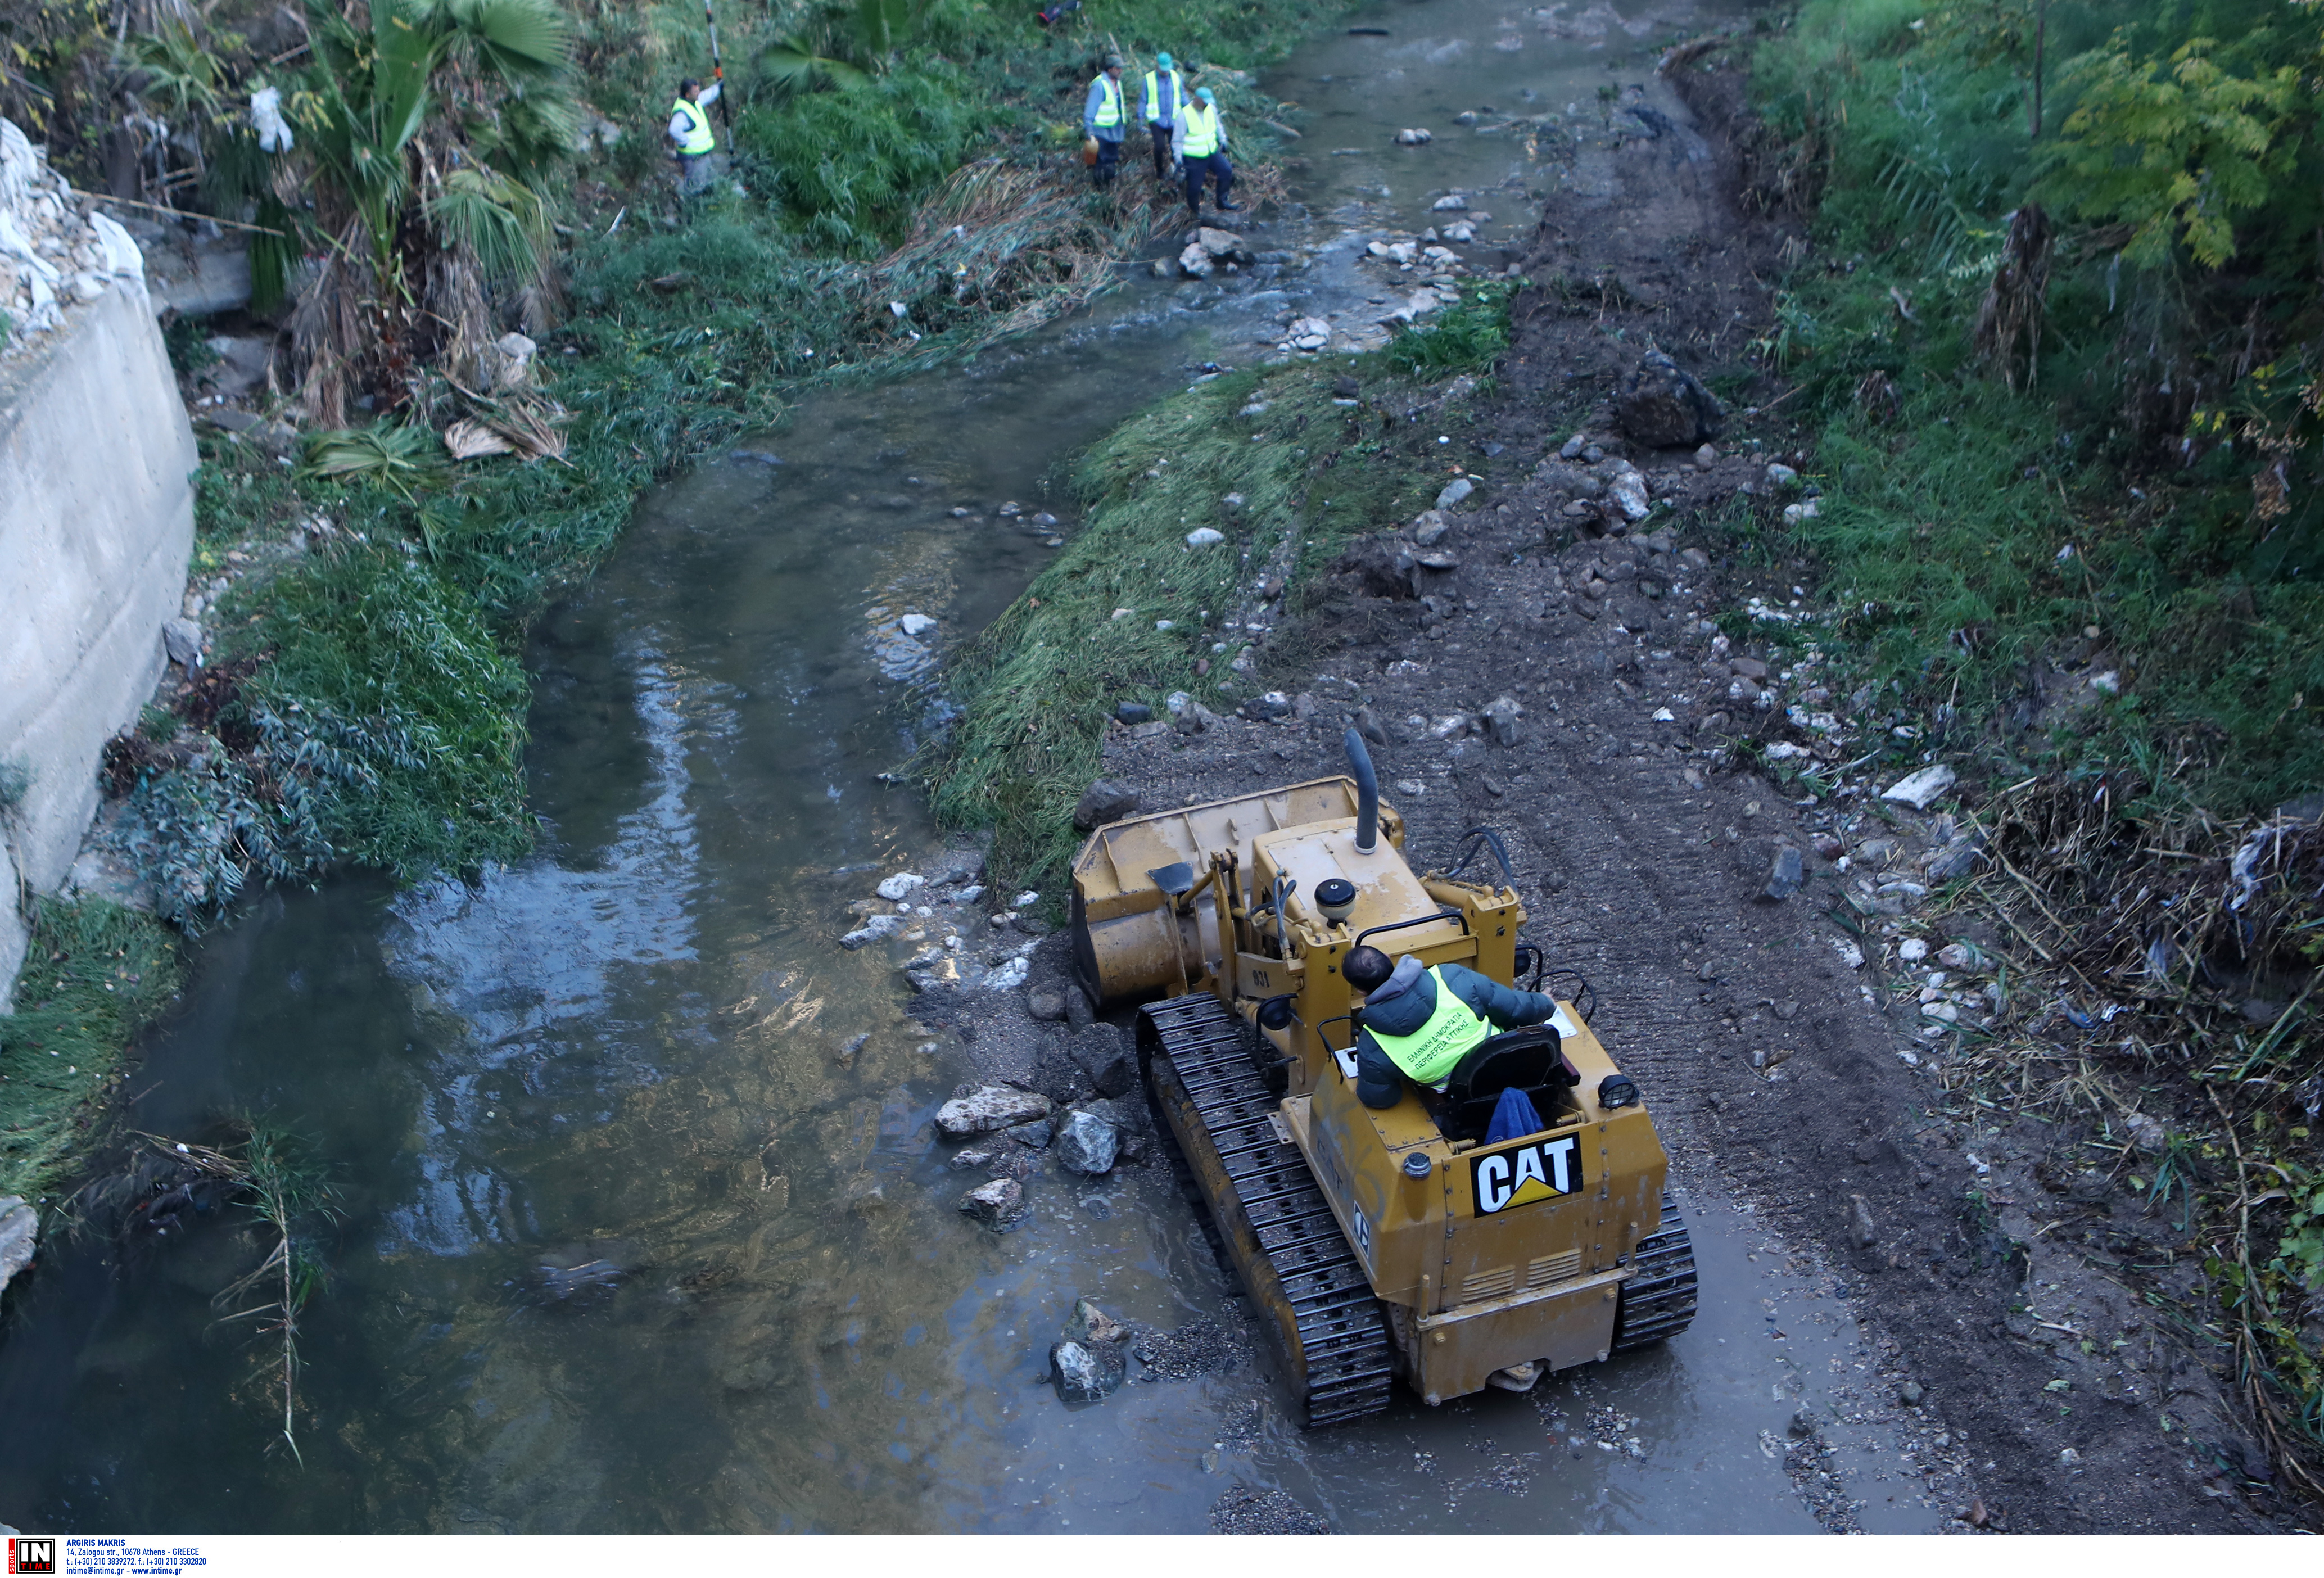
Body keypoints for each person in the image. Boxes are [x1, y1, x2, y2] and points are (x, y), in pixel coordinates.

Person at [1342, 946, 1556, 1110]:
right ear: (1390, 960)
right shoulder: (1451, 977)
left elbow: (1379, 1099)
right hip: (1517, 1067)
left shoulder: (1373, 1046)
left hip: (1465, 1103)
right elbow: (1515, 1009)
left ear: (1360, 991)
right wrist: (1546, 1003)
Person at [1172, 85, 1239, 219]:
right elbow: (1177, 141)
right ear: (1197, 100)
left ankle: (1222, 202)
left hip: (1212, 151)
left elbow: (1218, 125)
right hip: (1194, 157)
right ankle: (1194, 212)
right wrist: (1178, 159)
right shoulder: (1184, 115)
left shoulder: (1211, 109)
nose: (1206, 104)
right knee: (1195, 187)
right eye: (1204, 101)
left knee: (1226, 171)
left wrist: (1223, 140)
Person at [667, 76, 722, 196]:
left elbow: (707, 95)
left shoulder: (695, 101)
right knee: (694, 186)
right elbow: (673, 130)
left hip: (702, 155)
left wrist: (718, 87)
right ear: (687, 94)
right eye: (696, 92)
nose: (699, 93)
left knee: (705, 181)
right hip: (693, 157)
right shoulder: (682, 113)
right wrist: (684, 142)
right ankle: (689, 206)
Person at [1140, 51, 1187, 183]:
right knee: (1160, 146)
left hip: (1174, 119)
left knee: (1176, 145)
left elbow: (1183, 95)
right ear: (1157, 66)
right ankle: (1160, 171)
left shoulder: (1177, 78)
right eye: (1163, 69)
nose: (1166, 72)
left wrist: (1189, 110)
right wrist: (1140, 117)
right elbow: (1143, 99)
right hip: (1157, 120)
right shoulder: (1148, 79)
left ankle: (1177, 169)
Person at [1083, 54, 1127, 190]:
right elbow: (1090, 110)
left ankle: (1106, 190)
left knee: (1110, 164)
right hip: (1099, 132)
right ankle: (1099, 191)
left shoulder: (1117, 83)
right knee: (1100, 164)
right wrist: (1089, 132)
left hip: (1113, 131)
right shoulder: (1099, 85)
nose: (1121, 71)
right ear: (1110, 69)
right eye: (1118, 68)